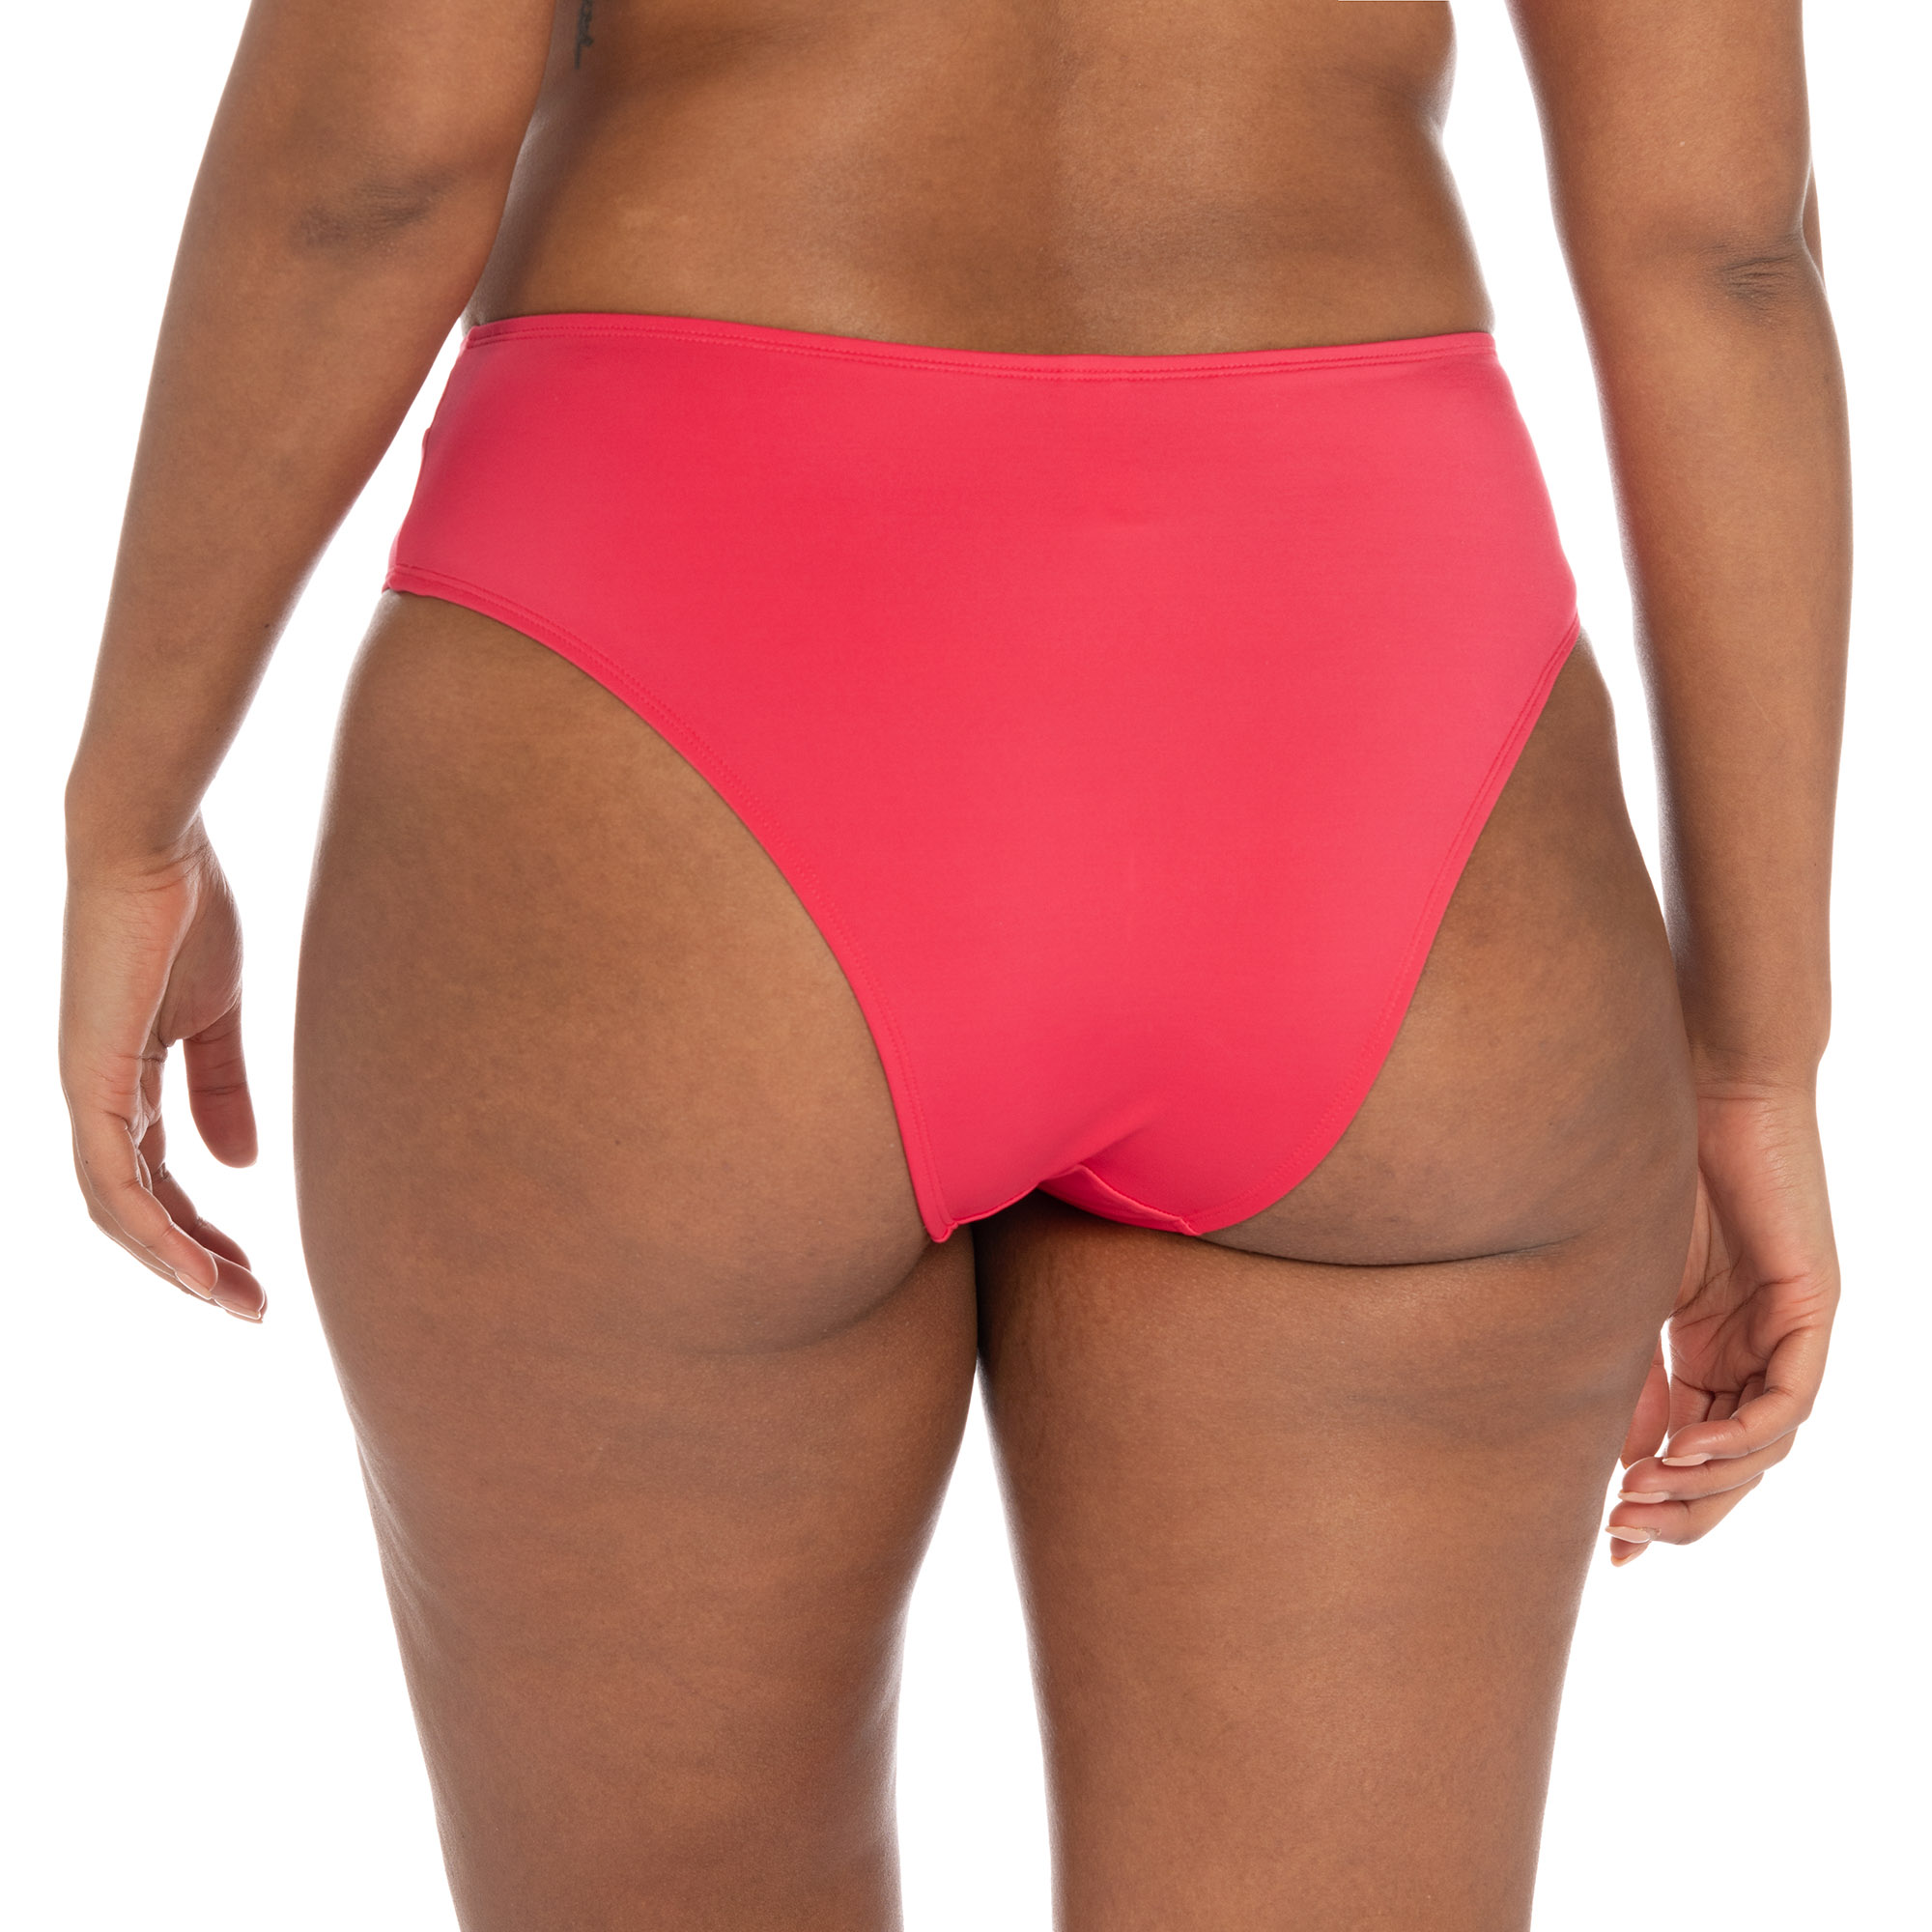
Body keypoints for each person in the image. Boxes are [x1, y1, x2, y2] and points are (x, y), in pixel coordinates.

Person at [58, 0, 1846, 1923]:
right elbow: (1721, 253)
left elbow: (371, 164)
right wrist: (1757, 1056)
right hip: (1361, 721)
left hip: (658, 738)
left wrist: (134, 814)